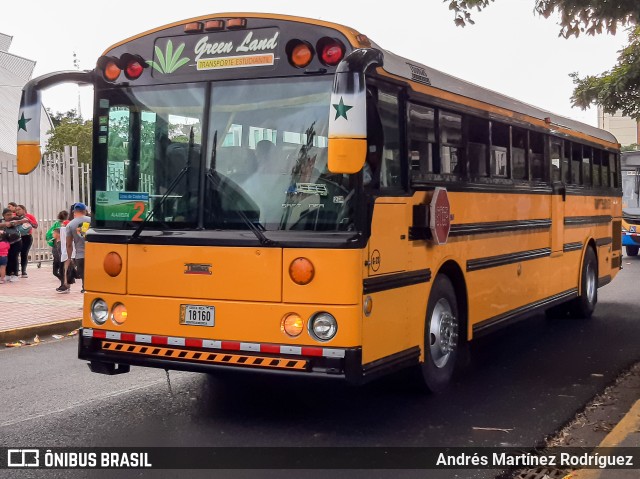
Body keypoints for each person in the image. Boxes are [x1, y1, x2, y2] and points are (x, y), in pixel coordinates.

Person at [62, 203, 90, 293]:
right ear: (85, 211)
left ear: (74, 212)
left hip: (80, 255)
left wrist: (69, 258)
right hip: (94, 254)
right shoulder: (92, 221)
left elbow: (69, 244)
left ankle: (85, 297)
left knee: (84, 280)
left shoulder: (70, 224)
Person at [0, 207, 26, 282]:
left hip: (16, 242)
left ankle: (15, 274)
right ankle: (8, 274)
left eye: (10, 214)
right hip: (6, 244)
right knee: (7, 258)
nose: (9, 216)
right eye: (7, 215)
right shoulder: (2, 221)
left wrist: (15, 222)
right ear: (3, 215)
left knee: (14, 257)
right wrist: (5, 224)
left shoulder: (15, 219)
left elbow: (24, 220)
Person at [13, 204, 38, 277]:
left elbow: (35, 226)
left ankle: (24, 271)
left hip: (27, 237)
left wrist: (28, 220)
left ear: (24, 210)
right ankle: (15, 271)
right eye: (16, 210)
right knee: (15, 254)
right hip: (16, 238)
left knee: (24, 253)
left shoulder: (29, 216)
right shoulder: (14, 216)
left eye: (19, 209)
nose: (17, 211)